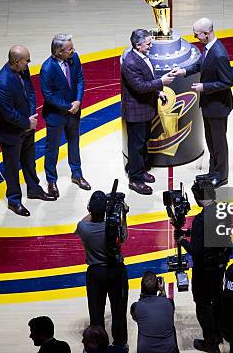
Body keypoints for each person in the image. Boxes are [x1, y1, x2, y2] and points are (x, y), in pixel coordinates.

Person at [170, 18, 233, 187]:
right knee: (211, 141)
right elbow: (200, 65)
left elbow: (227, 82)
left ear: (206, 33)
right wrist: (183, 71)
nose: (194, 37)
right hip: (209, 105)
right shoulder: (207, 48)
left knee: (219, 143)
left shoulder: (219, 54)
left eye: (196, 34)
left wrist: (204, 87)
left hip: (218, 107)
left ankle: (221, 176)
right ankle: (213, 171)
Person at [0, 45, 54, 217]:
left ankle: (34, 189)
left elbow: (30, 93)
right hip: (11, 132)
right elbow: (8, 113)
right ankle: (14, 200)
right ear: (15, 61)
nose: (29, 63)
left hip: (28, 125)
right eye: (26, 61)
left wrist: (32, 115)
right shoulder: (1, 82)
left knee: (29, 161)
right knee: (12, 168)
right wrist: (26, 122)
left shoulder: (23, 70)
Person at [179, 175, 232, 352]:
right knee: (217, 300)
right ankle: (219, 333)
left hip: (204, 271)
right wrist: (191, 233)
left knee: (203, 304)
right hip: (219, 266)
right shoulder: (223, 211)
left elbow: (198, 253)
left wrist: (183, 241)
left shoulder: (200, 220)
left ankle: (210, 342)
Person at [121, 28, 175, 195]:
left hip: (146, 108)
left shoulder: (142, 57)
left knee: (143, 142)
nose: (151, 46)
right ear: (138, 45)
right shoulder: (130, 63)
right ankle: (135, 179)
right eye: (148, 43)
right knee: (136, 146)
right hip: (136, 111)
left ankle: (141, 169)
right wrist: (161, 82)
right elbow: (140, 86)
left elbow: (146, 80)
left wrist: (159, 92)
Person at [75, 191, 129, 349]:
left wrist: (96, 209)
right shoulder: (113, 227)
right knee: (119, 310)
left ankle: (98, 345)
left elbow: (84, 220)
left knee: (96, 311)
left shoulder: (83, 228)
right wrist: (120, 214)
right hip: (116, 271)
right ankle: (120, 344)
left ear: (89, 209)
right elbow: (124, 237)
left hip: (95, 273)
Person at [39, 34, 91, 199]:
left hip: (74, 111)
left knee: (74, 143)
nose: (73, 50)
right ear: (58, 52)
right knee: (52, 149)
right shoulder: (47, 68)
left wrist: (78, 101)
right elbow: (48, 95)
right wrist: (68, 106)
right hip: (56, 114)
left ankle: (77, 174)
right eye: (69, 49)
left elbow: (80, 80)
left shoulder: (74, 58)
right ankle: (51, 180)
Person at [130, 271, 178, 353]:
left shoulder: (136, 307)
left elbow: (136, 318)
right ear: (158, 287)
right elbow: (166, 306)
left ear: (142, 288)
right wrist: (163, 291)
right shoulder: (169, 303)